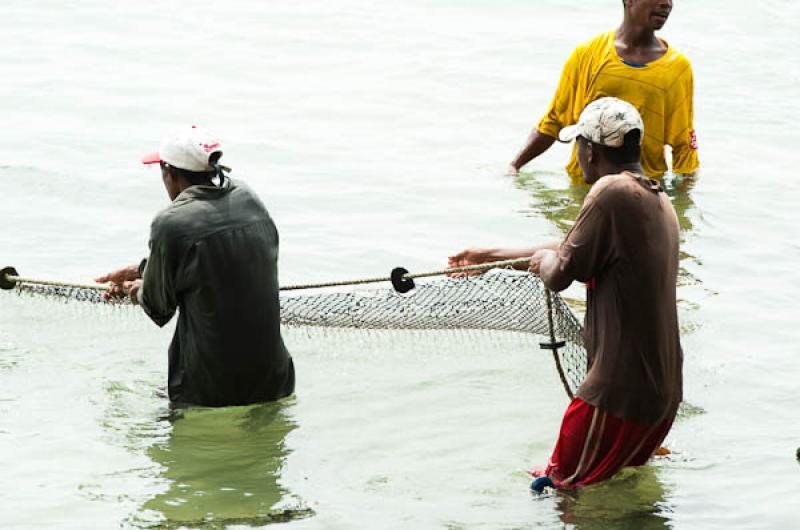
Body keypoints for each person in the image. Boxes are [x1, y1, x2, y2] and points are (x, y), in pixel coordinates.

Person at [452, 98, 682, 490]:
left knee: (560, 493)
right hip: (661, 396)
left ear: (590, 150)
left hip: (614, 397)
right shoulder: (656, 201)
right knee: (597, 493)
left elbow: (558, 272)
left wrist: (543, 262)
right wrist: (488, 257)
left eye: (578, 147)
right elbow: (572, 249)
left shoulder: (609, 192)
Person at [97, 125, 295, 407]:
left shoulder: (171, 222)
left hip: (211, 394)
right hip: (275, 381)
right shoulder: (248, 198)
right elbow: (214, 262)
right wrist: (143, 270)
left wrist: (135, 289)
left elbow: (158, 308)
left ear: (170, 172)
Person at [509, 0, 699, 179]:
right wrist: (514, 166)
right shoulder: (589, 54)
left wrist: (677, 208)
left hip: (640, 192)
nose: (667, 4)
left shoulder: (677, 68)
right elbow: (554, 120)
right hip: (586, 185)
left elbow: (684, 147)